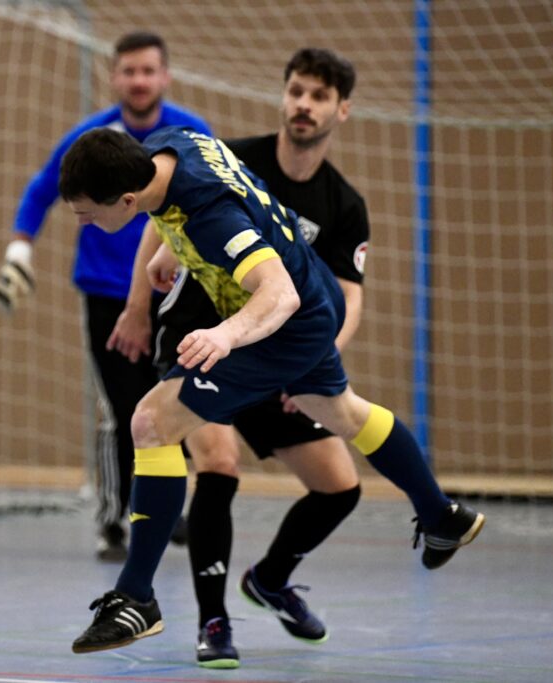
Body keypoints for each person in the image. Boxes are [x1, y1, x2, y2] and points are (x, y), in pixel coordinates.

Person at [59, 125, 485, 656]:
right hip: (315, 298)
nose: (86, 224)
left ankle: (136, 596)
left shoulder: (210, 217)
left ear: (124, 200)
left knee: (151, 422)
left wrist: (224, 334)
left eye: (87, 215)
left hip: (281, 320)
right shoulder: (173, 145)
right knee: (343, 413)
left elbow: (275, 292)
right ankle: (441, 515)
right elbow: (181, 208)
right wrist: (172, 246)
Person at [108, 48, 369, 669]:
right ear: (283, 96)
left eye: (318, 96)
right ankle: (213, 621)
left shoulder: (343, 205)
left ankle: (271, 579)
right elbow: (155, 210)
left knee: (339, 488)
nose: (303, 105)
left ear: (341, 110)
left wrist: (309, 361)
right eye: (296, 91)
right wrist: (139, 305)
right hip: (206, 340)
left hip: (279, 353)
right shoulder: (231, 159)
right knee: (218, 465)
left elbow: (349, 300)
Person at [0, 32, 211, 561]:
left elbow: (210, 198)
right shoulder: (91, 138)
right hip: (105, 294)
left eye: (148, 71)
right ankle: (113, 521)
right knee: (119, 409)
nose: (138, 80)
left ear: (165, 77)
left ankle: (165, 506)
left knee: (174, 400)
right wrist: (19, 249)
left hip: (174, 291)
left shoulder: (189, 133)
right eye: (129, 71)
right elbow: (43, 189)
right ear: (114, 78)